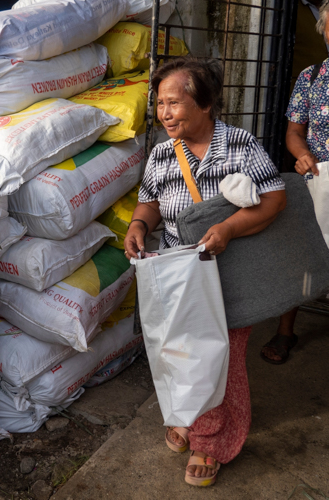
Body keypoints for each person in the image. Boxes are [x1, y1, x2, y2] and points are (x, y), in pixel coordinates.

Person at [124, 57, 287, 487]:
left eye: (174, 103)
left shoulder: (240, 145)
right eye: (160, 104)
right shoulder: (162, 153)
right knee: (179, 352)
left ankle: (209, 442)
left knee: (219, 357)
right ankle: (191, 419)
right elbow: (151, 201)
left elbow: (274, 200)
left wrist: (229, 228)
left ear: (206, 103)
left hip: (230, 272)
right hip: (181, 275)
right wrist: (139, 225)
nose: (165, 113)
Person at [261, 0, 329, 364]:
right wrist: (302, 154)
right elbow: (293, 131)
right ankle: (285, 330)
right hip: (317, 179)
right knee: (301, 254)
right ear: (324, 32)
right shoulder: (312, 76)